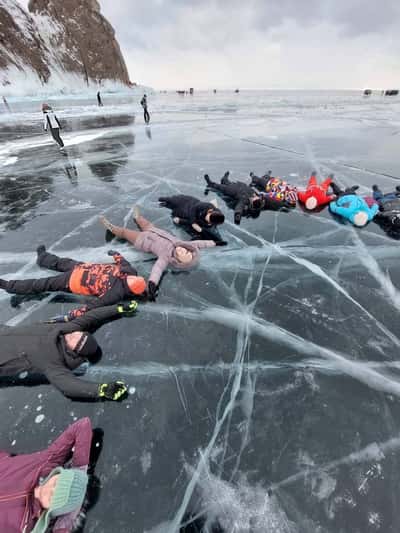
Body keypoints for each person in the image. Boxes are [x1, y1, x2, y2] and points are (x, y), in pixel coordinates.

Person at [0, 303, 135, 399]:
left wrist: (102, 389)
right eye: (79, 334)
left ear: (74, 350)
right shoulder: (69, 329)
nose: (74, 334)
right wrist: (117, 309)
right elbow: (92, 317)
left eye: (76, 339)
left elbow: (69, 386)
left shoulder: (53, 363)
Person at [100, 207, 226, 301]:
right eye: (187, 251)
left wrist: (152, 284)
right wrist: (215, 243)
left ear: (179, 261)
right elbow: (199, 244)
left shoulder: (166, 258)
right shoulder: (182, 243)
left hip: (142, 240)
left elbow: (157, 270)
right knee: (145, 223)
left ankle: (112, 228)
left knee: (124, 232)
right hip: (154, 230)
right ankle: (137, 217)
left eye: (184, 254)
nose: (184, 250)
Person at [0, 246, 146, 320]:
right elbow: (123, 262)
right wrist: (116, 254)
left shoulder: (115, 294)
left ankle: (9, 286)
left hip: (73, 281)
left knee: (42, 283)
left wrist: (73, 315)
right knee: (61, 262)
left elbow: (93, 306)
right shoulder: (129, 271)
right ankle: (43, 257)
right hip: (83, 268)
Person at [0, 417, 92, 533]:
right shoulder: (47, 463)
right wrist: (80, 470)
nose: (50, 489)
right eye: (56, 482)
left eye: (55, 496)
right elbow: (82, 425)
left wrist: (66, 521)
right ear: (56, 474)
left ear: (53, 510)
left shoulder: (28, 526)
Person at [158, 194, 225, 235]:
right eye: (208, 216)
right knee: (172, 200)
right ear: (211, 212)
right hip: (190, 203)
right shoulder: (209, 206)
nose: (206, 218)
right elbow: (195, 208)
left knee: (174, 209)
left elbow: (193, 223)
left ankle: (166, 204)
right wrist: (193, 223)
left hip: (185, 213)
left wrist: (181, 221)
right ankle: (165, 199)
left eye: (208, 220)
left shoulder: (208, 225)